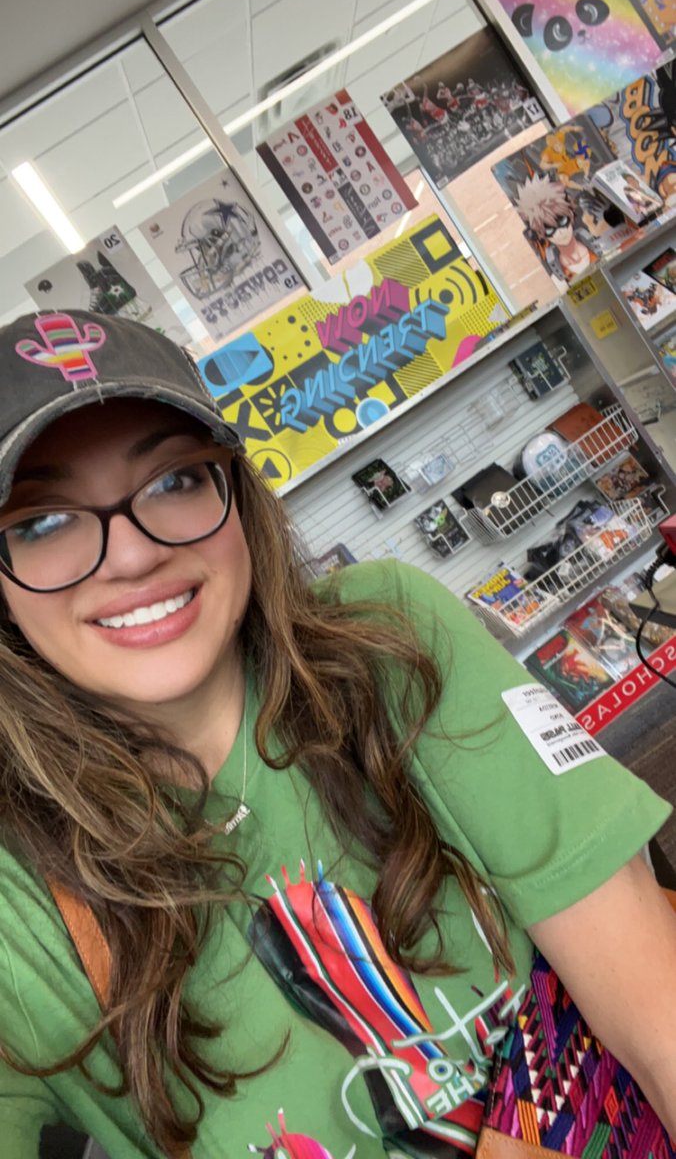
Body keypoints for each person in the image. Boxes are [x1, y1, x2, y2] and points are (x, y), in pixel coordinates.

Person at [0, 309, 675, 1159]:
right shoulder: (17, 901)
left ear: (234, 493)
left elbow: (660, 1018)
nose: (132, 555)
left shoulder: (392, 645)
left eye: (174, 480)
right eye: (41, 522)